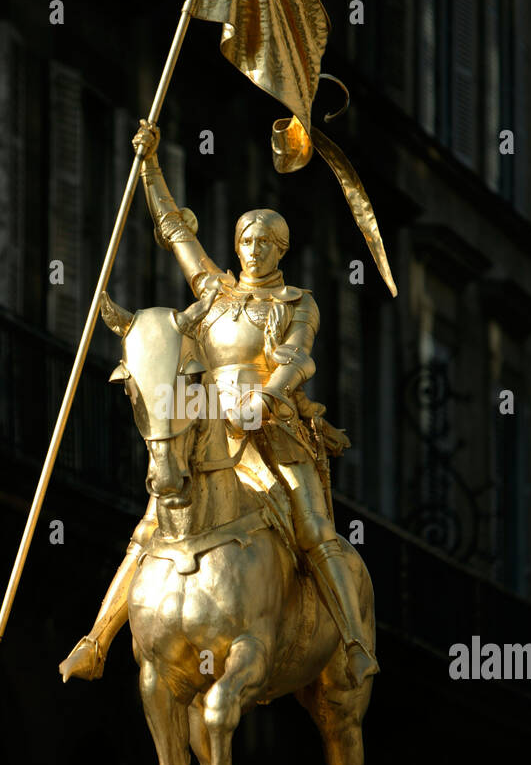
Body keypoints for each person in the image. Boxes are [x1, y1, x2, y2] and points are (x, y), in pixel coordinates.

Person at [60, 121, 376, 686]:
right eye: (247, 241)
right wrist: (151, 166)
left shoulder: (295, 301)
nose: (254, 251)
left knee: (313, 528)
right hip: (207, 425)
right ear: (236, 246)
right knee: (151, 525)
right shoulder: (214, 294)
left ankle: (354, 643)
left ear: (282, 250)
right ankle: (96, 641)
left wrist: (266, 395)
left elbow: (301, 361)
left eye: (267, 243)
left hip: (270, 425)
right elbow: (174, 231)